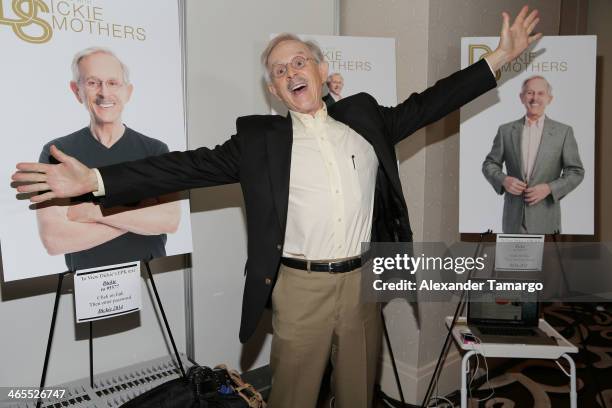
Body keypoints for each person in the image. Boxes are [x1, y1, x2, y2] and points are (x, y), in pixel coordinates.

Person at [13, 7, 540, 408]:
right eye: (279, 69)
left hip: (362, 284)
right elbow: (181, 167)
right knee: (294, 398)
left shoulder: (364, 118)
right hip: (300, 290)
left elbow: (431, 103)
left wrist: (498, 59)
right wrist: (97, 177)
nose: (291, 71)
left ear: (319, 67)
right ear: (274, 89)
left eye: (299, 60)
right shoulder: (259, 139)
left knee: (359, 395)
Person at [36, 47, 181, 270]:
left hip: (150, 278)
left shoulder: (155, 151)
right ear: (77, 91)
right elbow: (54, 240)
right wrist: (140, 217)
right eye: (93, 83)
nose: (104, 93)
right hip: (89, 286)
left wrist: (95, 212)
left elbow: (170, 220)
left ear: (128, 91)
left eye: (113, 83)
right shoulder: (57, 153)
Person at [482, 75, 584, 234]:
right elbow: (489, 164)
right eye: (529, 93)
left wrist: (549, 188)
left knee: (547, 260)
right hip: (513, 221)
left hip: (547, 220)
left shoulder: (563, 132)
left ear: (549, 98)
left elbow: (576, 172)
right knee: (510, 260)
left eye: (540, 93)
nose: (534, 98)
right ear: (521, 97)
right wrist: (504, 180)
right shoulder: (506, 131)